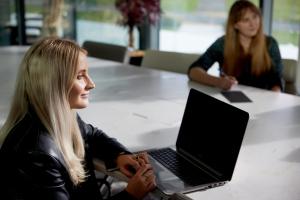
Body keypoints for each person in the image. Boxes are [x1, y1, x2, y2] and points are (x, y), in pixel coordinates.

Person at [0, 37, 156, 200]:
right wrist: (130, 195)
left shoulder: (55, 116)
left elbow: (92, 135)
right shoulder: (37, 154)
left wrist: (119, 155)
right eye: (80, 76)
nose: (91, 84)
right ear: (54, 83)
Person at [188, 0, 283, 92]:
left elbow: (277, 81)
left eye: (255, 17)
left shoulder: (270, 43)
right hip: (231, 100)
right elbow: (194, 71)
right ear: (235, 25)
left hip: (263, 101)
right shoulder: (223, 43)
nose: (253, 24)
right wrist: (219, 82)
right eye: (246, 20)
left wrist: (274, 96)